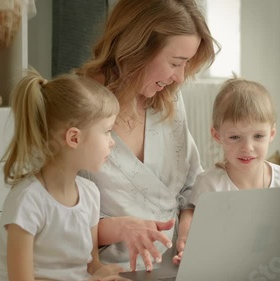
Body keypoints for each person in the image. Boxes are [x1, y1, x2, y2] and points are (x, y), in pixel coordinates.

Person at [75, 0, 219, 272]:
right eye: (176, 63)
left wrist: (188, 221)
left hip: (181, 262)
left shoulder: (169, 99)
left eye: (186, 64)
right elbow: (56, 215)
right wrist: (118, 228)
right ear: (137, 48)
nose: (179, 77)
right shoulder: (76, 106)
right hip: (109, 269)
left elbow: (192, 186)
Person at [173, 76, 280, 281]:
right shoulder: (209, 182)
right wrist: (186, 242)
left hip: (278, 266)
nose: (247, 147)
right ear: (217, 136)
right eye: (235, 137)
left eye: (258, 136)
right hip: (230, 270)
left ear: (272, 133)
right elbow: (192, 220)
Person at [0, 68, 129, 281]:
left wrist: (102, 272)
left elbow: (91, 265)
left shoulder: (90, 194)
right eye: (106, 131)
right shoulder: (28, 201)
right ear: (74, 138)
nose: (112, 141)